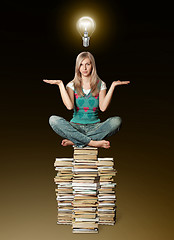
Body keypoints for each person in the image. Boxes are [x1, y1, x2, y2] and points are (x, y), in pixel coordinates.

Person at [43, 51, 130, 149]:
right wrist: (60, 84)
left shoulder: (101, 84)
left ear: (92, 66)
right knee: (53, 120)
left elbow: (103, 108)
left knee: (117, 121)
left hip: (95, 127)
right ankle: (92, 142)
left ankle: (75, 141)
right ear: (78, 67)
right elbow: (69, 106)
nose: (84, 68)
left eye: (87, 64)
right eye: (81, 65)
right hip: (75, 127)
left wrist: (113, 86)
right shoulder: (71, 85)